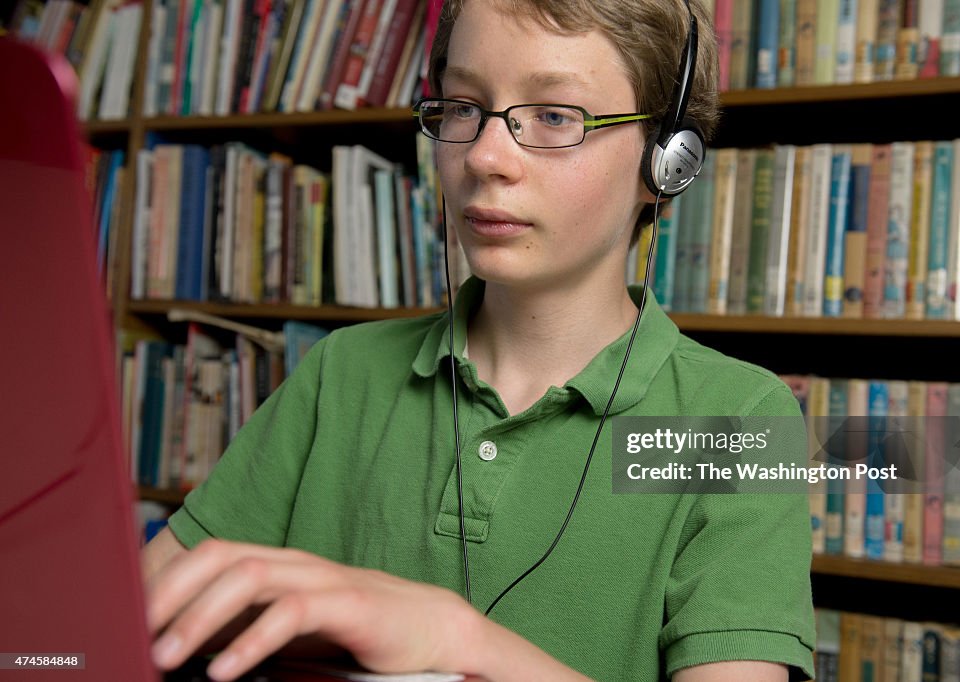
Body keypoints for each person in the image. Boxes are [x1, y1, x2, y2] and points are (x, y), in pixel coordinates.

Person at [143, 0, 816, 680]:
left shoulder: (743, 424)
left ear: (668, 160)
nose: (485, 156)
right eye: (462, 106)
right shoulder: (340, 372)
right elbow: (127, 618)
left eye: (555, 115)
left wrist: (460, 641)